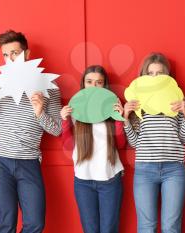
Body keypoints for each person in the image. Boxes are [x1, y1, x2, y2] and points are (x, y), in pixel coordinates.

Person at [0, 30, 62, 233]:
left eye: (15, 53)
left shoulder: (50, 85)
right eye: (6, 55)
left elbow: (57, 129)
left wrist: (40, 113)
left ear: (27, 53)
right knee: (7, 224)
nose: (10, 59)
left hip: (28, 159)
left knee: (35, 223)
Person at [123, 53, 185, 233]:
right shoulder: (138, 104)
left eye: (159, 73)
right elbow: (135, 143)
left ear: (167, 77)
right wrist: (126, 118)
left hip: (174, 169)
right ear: (144, 76)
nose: (155, 77)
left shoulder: (178, 100)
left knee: (171, 227)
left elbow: (184, 139)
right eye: (150, 73)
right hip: (145, 170)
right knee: (146, 226)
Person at [60, 65, 126, 233]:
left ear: (105, 86)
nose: (94, 86)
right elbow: (68, 145)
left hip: (110, 179)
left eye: (99, 82)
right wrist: (65, 120)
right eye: (89, 82)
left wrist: (119, 118)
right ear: (83, 84)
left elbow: (120, 144)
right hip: (83, 180)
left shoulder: (112, 107)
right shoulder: (76, 109)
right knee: (90, 230)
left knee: (109, 229)